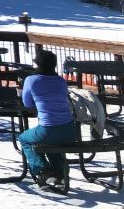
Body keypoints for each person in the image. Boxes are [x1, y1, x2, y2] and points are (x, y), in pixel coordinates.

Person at [18, 50, 79, 190]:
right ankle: (60, 174)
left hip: (48, 129)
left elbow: (27, 104)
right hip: (70, 130)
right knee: (52, 142)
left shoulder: (31, 80)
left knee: (24, 139)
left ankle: (42, 171)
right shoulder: (61, 80)